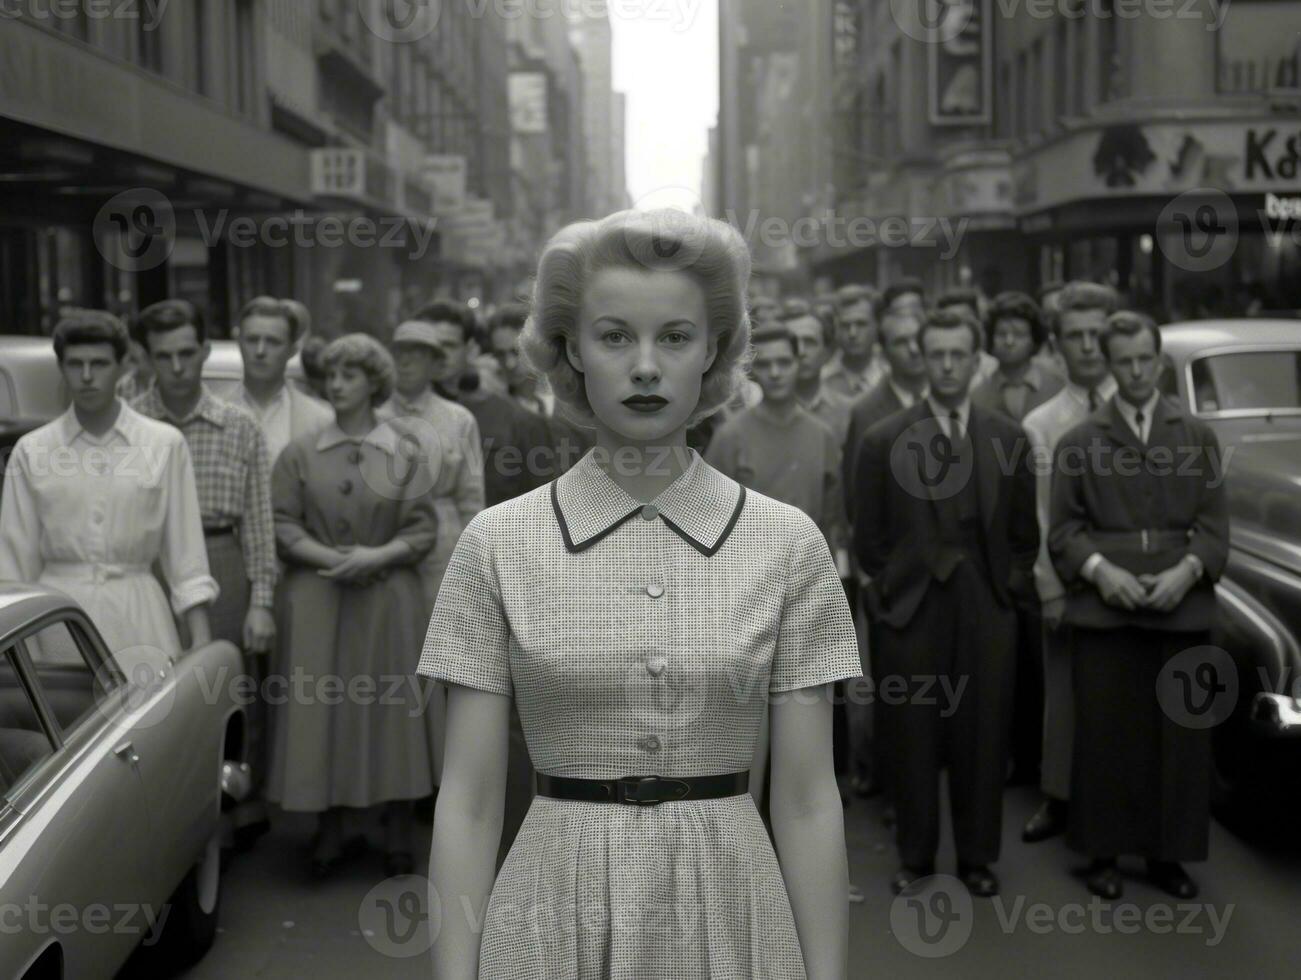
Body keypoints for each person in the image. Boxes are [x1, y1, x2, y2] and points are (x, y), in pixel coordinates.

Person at [423, 209, 860, 978]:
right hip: (550, 913)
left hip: (732, 908)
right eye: (615, 335)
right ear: (571, 351)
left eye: (676, 337)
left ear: (715, 351)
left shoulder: (788, 544)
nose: (646, 366)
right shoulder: (496, 544)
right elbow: (467, 802)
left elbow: (806, 800)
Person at [854, 308, 1039, 898]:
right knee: (910, 736)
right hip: (911, 611)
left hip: (986, 605)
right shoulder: (884, 441)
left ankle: (978, 857)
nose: (948, 365)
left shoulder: (1007, 437)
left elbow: (1021, 534)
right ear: (917, 358)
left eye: (959, 354)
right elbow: (869, 537)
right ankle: (916, 855)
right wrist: (890, 594)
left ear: (976, 357)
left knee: (983, 737)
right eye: (936, 354)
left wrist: (1006, 590)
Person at [1049, 311, 1228, 901]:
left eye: (1144, 360)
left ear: (1159, 360)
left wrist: (1189, 569)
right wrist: (1103, 573)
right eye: (1122, 361)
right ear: (1106, 362)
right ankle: (1102, 853)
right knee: (1107, 735)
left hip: (1182, 608)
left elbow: (1213, 525)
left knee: (1179, 737)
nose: (1135, 372)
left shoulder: (1196, 435)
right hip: (1107, 610)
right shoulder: (1080, 442)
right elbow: (1065, 531)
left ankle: (1167, 855)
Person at [268, 334, 437, 878]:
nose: (337, 385)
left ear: (373, 383)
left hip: (386, 597)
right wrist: (328, 556)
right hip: (319, 594)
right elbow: (282, 522)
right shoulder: (301, 452)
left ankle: (396, 826)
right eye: (331, 376)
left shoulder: (402, 449)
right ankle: (330, 826)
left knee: (389, 710)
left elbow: (422, 527)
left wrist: (375, 555)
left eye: (349, 375)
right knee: (326, 711)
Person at [130, 299, 279, 845]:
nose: (176, 366)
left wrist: (261, 598)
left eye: (187, 353)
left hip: (221, 557)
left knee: (229, 686)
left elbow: (259, 522)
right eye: (163, 355)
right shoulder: (128, 421)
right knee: (148, 685)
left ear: (203, 351)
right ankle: (157, 808)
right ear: (145, 358)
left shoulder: (238, 426)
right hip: (146, 565)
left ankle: (234, 805)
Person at [0, 309, 217, 669]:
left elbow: (186, 553)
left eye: (99, 364)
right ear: (62, 368)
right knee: (72, 718)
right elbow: (14, 560)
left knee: (149, 720)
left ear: (122, 367)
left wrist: (201, 637)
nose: (87, 376)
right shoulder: (32, 450)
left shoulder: (163, 443)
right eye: (75, 364)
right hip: (57, 619)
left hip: (139, 614)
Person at [1020, 281, 1119, 845]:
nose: (1088, 347)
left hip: (1133, 573)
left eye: (1096, 335)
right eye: (1075, 337)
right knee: (1065, 692)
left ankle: (1118, 800)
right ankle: (1058, 795)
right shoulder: (1043, 423)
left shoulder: (1141, 407)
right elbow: (1038, 513)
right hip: (1069, 577)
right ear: (1056, 346)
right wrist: (1050, 585)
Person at [839, 307, 930, 805]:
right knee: (884, 683)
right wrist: (876, 573)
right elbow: (858, 502)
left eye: (920, 340)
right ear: (885, 350)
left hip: (940, 568)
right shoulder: (868, 412)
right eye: (901, 343)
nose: (913, 351)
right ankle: (879, 772)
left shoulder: (947, 405)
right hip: (893, 572)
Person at [705, 325, 845, 545]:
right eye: (764, 364)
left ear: (798, 364)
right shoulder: (730, 437)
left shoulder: (822, 436)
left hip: (808, 565)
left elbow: (831, 520)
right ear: (752, 370)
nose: (775, 373)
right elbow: (710, 517)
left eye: (784, 362)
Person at [414, 300, 554, 507]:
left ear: (470, 349)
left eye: (448, 345)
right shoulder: (392, 415)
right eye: (426, 347)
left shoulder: (519, 421)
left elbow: (544, 508)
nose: (437, 355)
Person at [226, 296, 333, 464]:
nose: (260, 351)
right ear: (239, 342)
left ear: (292, 350)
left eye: (273, 342)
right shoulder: (215, 412)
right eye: (252, 340)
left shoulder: (321, 420)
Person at [970, 291, 1065, 422]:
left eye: (1019, 334)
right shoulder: (977, 395)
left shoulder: (1057, 385)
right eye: (1001, 334)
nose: (1009, 342)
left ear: (1034, 339)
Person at [821, 285, 887, 400]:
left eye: (861, 324)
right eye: (845, 325)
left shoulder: (889, 374)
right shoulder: (822, 378)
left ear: (876, 325)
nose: (852, 333)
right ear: (835, 329)